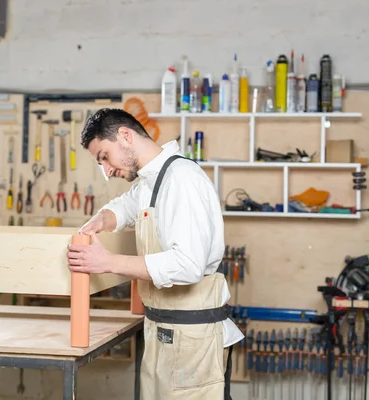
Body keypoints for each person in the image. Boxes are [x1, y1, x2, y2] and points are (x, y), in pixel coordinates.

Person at [66, 108, 244, 399]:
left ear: (125, 136)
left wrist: (108, 262)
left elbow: (188, 266)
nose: (107, 171)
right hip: (164, 330)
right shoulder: (152, 180)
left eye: (104, 157)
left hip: (193, 341)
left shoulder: (181, 179)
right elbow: (126, 206)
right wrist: (102, 219)